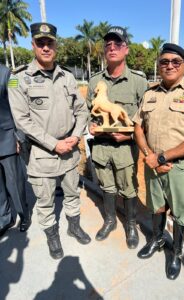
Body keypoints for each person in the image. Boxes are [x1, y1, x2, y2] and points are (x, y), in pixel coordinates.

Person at [8, 22, 91, 259]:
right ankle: (52, 235)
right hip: (41, 153)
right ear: (33, 45)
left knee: (72, 192)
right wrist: (54, 144)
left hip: (70, 149)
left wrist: (75, 136)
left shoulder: (67, 76)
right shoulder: (18, 78)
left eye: (50, 43)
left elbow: (82, 110)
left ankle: (73, 226)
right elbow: (22, 120)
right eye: (40, 43)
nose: (45, 47)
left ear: (56, 45)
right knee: (44, 201)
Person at [133, 43, 184, 279]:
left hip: (179, 166)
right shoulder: (150, 93)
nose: (169, 65)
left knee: (180, 213)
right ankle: (158, 240)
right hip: (152, 164)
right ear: (158, 65)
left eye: (175, 62)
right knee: (156, 207)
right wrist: (150, 155)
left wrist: (161, 157)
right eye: (164, 61)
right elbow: (138, 128)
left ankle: (176, 253)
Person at [86, 26, 148, 249]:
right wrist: (90, 125)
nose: (112, 48)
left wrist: (131, 137)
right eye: (108, 45)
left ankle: (131, 224)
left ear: (126, 50)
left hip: (126, 148)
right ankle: (110, 219)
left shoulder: (139, 82)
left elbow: (146, 119)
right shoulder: (94, 82)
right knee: (107, 187)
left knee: (129, 188)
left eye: (117, 44)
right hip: (101, 147)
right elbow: (87, 113)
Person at [0, 64, 30, 237]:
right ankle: (4, 219)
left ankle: (23, 215)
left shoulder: (8, 75)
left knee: (14, 182)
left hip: (6, 138)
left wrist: (19, 136)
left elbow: (17, 106)